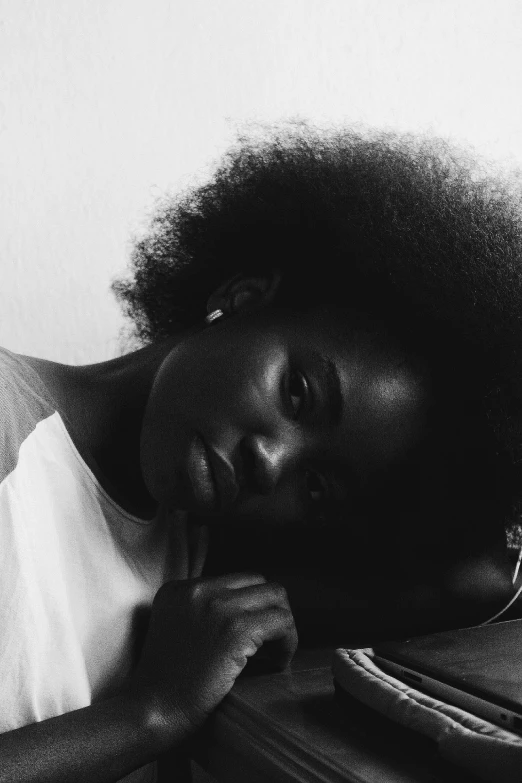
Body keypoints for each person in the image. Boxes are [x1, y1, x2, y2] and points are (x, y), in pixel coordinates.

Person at [1, 122, 521, 782]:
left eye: (317, 485)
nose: (272, 462)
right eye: (299, 393)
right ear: (241, 299)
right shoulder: (10, 420)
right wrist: (151, 713)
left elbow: (468, 581)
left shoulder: (195, 568)